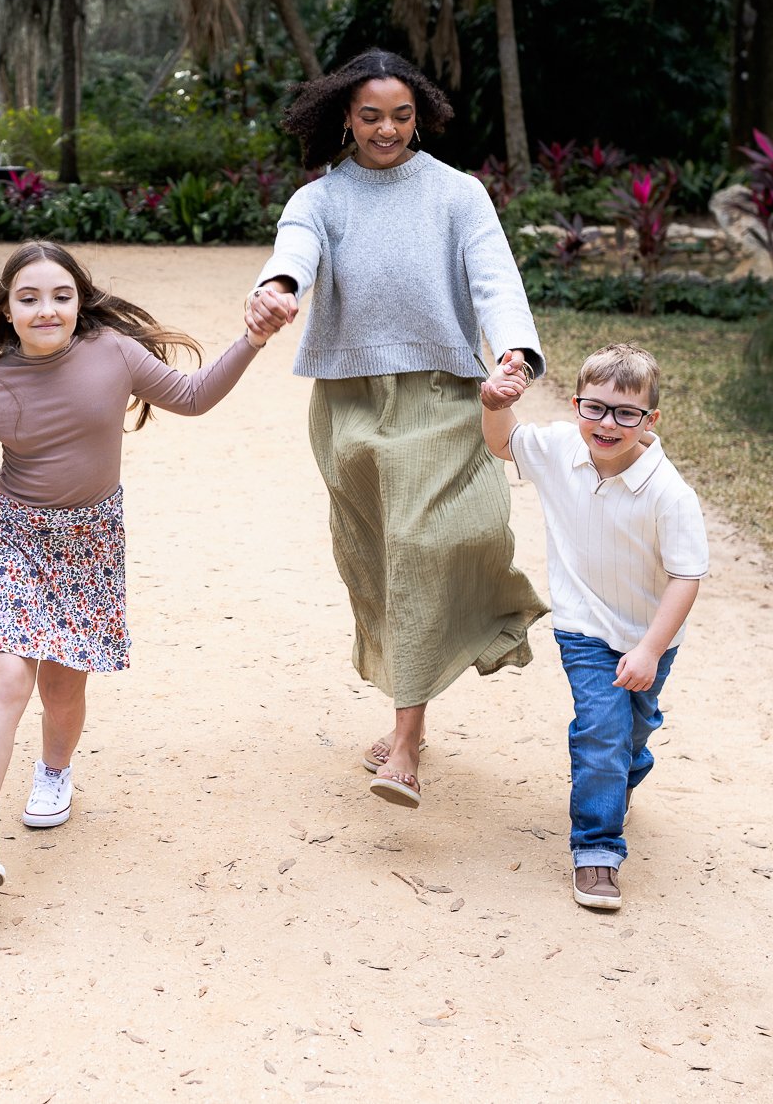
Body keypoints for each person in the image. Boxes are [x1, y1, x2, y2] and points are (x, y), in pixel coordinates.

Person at [0, 242, 279, 895]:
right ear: (6, 309)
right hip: (14, 537)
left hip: (89, 546)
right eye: (28, 298)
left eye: (60, 295)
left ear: (79, 300)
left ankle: (55, 768)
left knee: (63, 692)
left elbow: (194, 396)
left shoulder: (112, 353)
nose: (46, 308)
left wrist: (252, 338)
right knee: (5, 677)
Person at [245, 48, 548, 810]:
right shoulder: (323, 198)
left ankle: (406, 740)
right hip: (350, 405)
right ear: (345, 114)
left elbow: (494, 277)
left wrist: (512, 348)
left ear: (422, 116)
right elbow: (295, 252)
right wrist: (278, 290)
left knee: (428, 542)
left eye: (402, 115)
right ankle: (410, 703)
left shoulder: (458, 194)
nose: (387, 129)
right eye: (372, 115)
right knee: (379, 559)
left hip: (446, 395)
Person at [478, 343, 707, 911]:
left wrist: (650, 650)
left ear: (650, 420)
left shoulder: (668, 493)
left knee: (633, 732)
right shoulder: (560, 448)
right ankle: (597, 851)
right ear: (578, 404)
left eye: (626, 414)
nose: (607, 424)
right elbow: (503, 441)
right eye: (595, 407)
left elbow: (685, 578)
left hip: (651, 635)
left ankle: (625, 770)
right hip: (583, 627)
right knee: (601, 732)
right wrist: (492, 400)